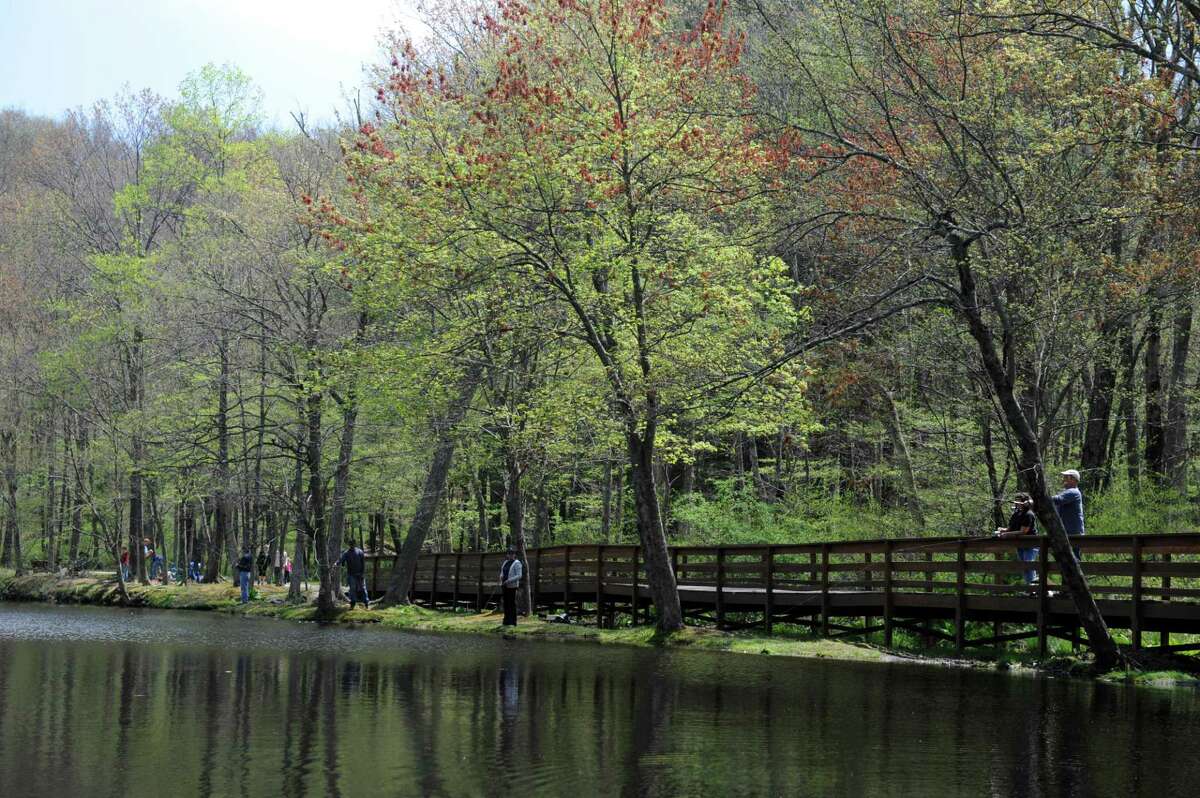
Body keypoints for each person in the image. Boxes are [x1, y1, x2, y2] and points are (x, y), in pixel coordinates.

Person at [995, 492, 1038, 585]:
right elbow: (1010, 528)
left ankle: (1033, 589)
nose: (1017, 503)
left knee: (1028, 565)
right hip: (1020, 544)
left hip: (1031, 544)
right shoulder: (1016, 513)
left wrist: (1007, 535)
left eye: (1019, 501)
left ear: (1025, 502)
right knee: (1024, 567)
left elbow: (1023, 531)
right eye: (1016, 501)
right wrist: (1001, 530)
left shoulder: (1029, 514)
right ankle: (1030, 588)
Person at [1052, 469, 1086, 560]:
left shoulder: (1073, 492)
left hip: (1073, 533)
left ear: (1073, 479)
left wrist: (1041, 498)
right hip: (1068, 532)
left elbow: (1057, 499)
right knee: (1067, 559)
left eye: (1066, 477)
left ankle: (1076, 575)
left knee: (1074, 559)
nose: (1063, 479)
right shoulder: (1067, 492)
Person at [339, 540, 370, 609]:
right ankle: (352, 604)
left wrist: (362, 573)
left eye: (352, 544)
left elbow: (363, 563)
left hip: (360, 574)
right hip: (351, 574)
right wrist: (336, 563)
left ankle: (366, 604)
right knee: (352, 589)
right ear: (349, 545)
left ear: (354, 544)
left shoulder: (360, 551)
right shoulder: (346, 553)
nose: (351, 545)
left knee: (363, 589)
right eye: (350, 544)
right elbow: (341, 559)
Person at [500, 546, 523, 627]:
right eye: (509, 553)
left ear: (514, 555)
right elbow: (502, 572)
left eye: (512, 553)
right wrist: (502, 577)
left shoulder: (517, 563)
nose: (510, 555)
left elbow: (519, 575)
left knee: (511, 603)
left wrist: (509, 580)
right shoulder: (505, 562)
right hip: (504, 585)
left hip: (512, 586)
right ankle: (506, 621)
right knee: (505, 603)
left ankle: (513, 622)